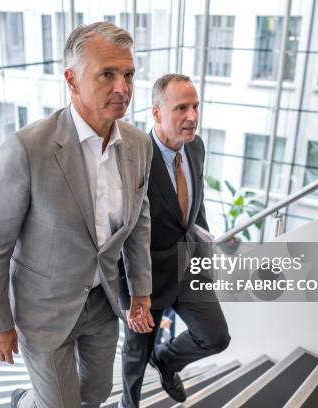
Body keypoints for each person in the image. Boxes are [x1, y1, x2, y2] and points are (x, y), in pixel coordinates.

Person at [0, 22, 155, 408]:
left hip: (103, 302)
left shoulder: (139, 145)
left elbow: (139, 221)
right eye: (107, 74)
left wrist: (141, 290)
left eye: (128, 74)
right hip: (44, 307)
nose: (122, 87)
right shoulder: (27, 149)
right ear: (72, 80)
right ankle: (25, 402)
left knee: (97, 393)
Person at [119, 74, 231, 407]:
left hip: (187, 267)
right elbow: (121, 233)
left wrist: (203, 256)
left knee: (216, 337)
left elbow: (197, 203)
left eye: (195, 106)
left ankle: (167, 361)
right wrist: (129, 299)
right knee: (135, 358)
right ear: (156, 113)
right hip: (146, 280)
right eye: (181, 108)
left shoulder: (195, 147)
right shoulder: (135, 159)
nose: (192, 116)